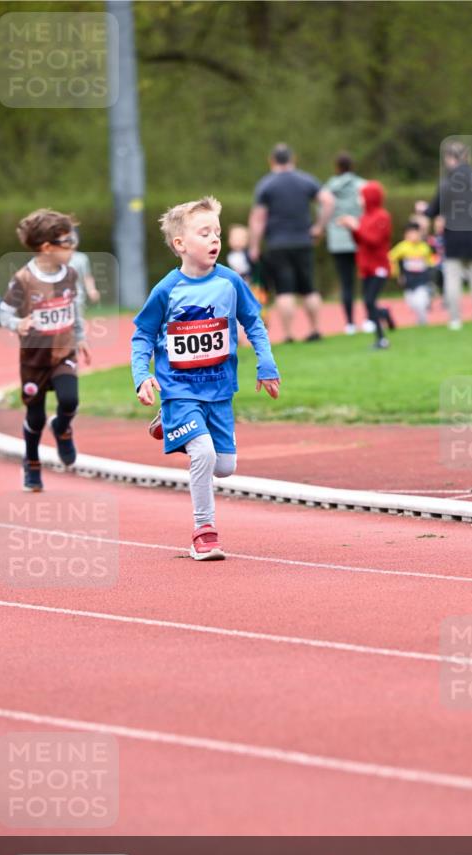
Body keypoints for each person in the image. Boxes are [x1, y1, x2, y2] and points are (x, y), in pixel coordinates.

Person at [132, 197, 280, 561]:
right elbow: (143, 336)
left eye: (217, 232)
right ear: (180, 244)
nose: (215, 239)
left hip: (218, 390)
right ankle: (204, 531)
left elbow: (254, 323)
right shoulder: (167, 290)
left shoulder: (230, 282)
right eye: (204, 233)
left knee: (225, 467)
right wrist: (142, 376)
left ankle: (168, 427)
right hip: (179, 391)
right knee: (203, 453)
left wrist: (267, 364)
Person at [0, 209, 91, 491]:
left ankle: (62, 427)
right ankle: (32, 462)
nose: (73, 245)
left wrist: (81, 336)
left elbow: (74, 307)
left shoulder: (71, 273)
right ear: (47, 248)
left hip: (64, 352)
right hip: (34, 359)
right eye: (68, 241)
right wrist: (18, 323)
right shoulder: (23, 279)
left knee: (70, 400)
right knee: (35, 418)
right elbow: (3, 313)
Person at [248, 143, 334, 342]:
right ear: (293, 159)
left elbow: (258, 218)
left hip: (277, 244)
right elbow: (328, 201)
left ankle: (288, 334)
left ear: (271, 161)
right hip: (303, 241)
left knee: (284, 290)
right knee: (309, 288)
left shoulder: (266, 184)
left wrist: (253, 246)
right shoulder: (306, 180)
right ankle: (315, 329)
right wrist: (319, 227)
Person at [426, 142, 472, 331]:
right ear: (466, 157)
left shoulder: (446, 183)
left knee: (452, 278)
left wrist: (429, 214)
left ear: (450, 158)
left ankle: (455, 319)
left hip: (453, 235)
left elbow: (433, 209)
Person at [339, 180, 394, 349]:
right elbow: (360, 241)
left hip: (379, 266)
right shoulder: (364, 217)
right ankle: (384, 314)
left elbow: (374, 240)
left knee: (369, 301)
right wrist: (351, 228)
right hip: (366, 267)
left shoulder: (382, 216)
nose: (359, 199)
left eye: (362, 196)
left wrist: (356, 227)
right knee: (368, 302)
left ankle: (381, 339)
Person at [323, 152, 365, 334]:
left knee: (346, 282)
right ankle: (369, 319)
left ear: (336, 167)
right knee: (365, 279)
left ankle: (349, 323)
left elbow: (322, 210)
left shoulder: (328, 188)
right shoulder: (362, 185)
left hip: (338, 238)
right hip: (360, 236)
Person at [389, 222, 434, 326]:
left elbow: (430, 261)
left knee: (421, 302)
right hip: (408, 280)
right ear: (406, 235)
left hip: (422, 279)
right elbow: (391, 257)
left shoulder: (424, 247)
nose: (413, 236)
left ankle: (423, 322)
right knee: (412, 303)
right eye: (410, 233)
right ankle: (420, 319)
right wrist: (397, 274)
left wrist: (432, 270)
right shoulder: (402, 247)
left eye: (416, 233)